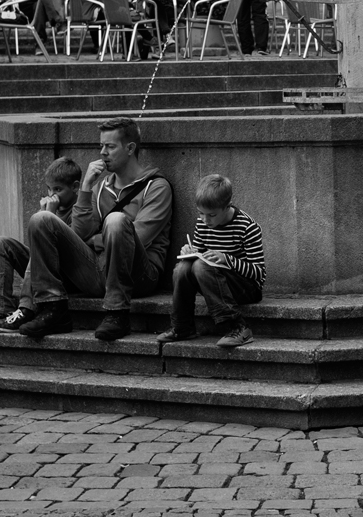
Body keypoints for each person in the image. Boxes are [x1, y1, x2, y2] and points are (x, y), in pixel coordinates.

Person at [17, 116, 174, 341]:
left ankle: (116, 314)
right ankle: (53, 309)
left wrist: (95, 240)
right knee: (42, 219)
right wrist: (86, 187)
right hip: (97, 270)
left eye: (109, 146)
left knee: (117, 221)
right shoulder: (100, 188)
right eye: (101, 146)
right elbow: (79, 234)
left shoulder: (157, 187)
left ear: (130, 148)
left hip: (140, 275)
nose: (102, 152)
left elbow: (140, 236)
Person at [0, 158, 82, 332]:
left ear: (75, 187)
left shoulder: (80, 208)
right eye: (49, 189)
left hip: (66, 276)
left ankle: (26, 309)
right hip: (44, 271)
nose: (52, 195)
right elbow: (35, 247)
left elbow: (73, 247)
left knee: (38, 251)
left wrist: (49, 215)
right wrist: (44, 214)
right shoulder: (52, 208)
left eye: (58, 189)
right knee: (0, 244)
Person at [159, 173, 266, 350]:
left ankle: (238, 327)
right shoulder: (202, 223)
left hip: (246, 288)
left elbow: (259, 274)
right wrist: (190, 252)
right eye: (201, 213)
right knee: (182, 268)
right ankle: (182, 326)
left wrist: (227, 259)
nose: (205, 220)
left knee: (201, 266)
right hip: (214, 282)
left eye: (211, 215)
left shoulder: (247, 227)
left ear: (227, 207)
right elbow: (200, 256)